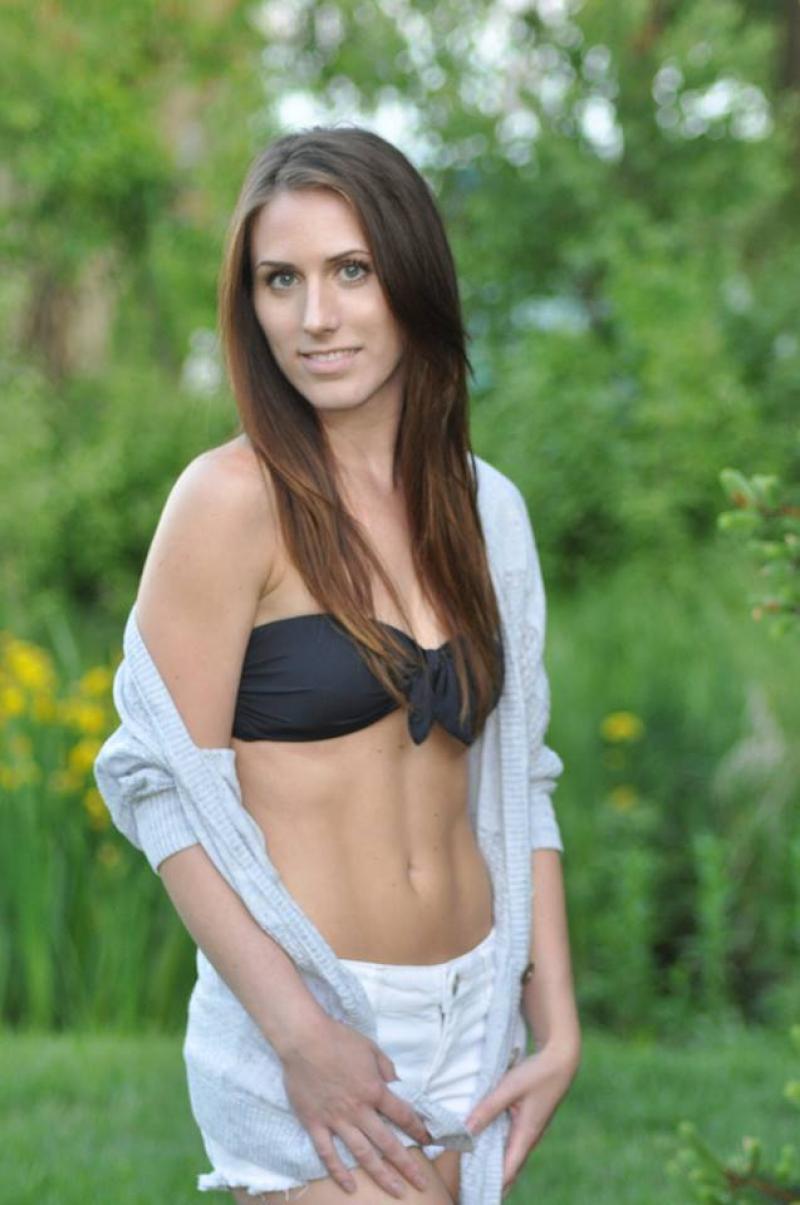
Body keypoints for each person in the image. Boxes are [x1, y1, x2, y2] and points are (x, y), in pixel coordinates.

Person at [93, 124, 581, 1205]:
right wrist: (300, 1034)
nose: (314, 316)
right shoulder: (229, 502)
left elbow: (522, 774)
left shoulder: (486, 509)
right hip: (313, 1018)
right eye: (282, 279)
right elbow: (156, 785)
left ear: (411, 278)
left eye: (350, 271)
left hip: (476, 1012)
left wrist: (553, 1020)